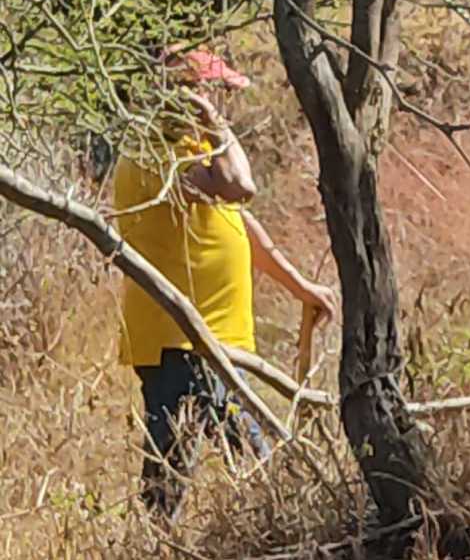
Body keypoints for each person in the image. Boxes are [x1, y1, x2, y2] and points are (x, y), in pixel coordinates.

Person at [113, 47, 338, 520]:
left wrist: (300, 288)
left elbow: (236, 219)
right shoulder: (159, 157)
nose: (227, 106)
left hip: (211, 340)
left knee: (238, 464)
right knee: (198, 472)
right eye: (218, 94)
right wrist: (216, 122)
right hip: (181, 342)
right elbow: (241, 186)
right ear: (189, 98)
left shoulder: (191, 155)